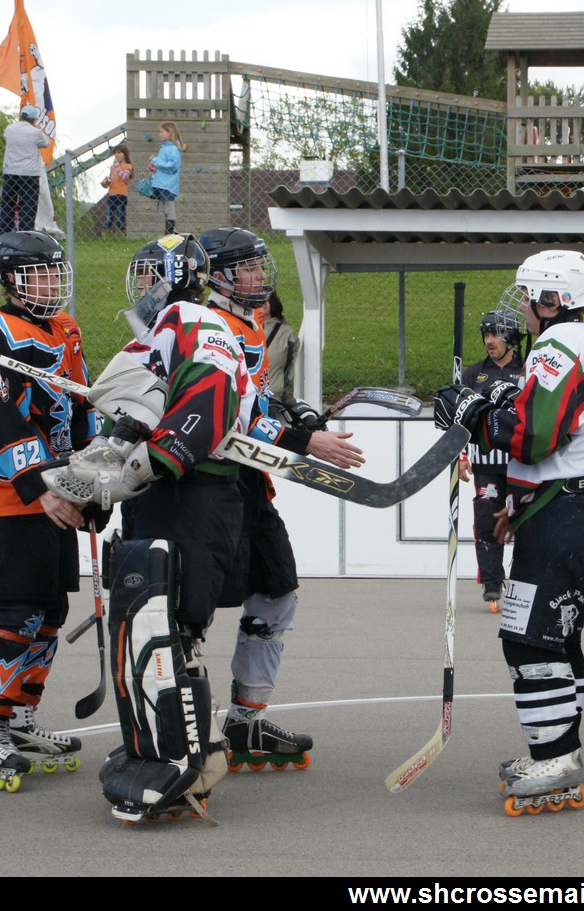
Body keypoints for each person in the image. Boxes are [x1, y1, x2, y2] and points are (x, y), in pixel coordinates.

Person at [39, 234, 250, 821]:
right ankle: (167, 744)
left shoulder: (194, 319)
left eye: (148, 274)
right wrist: (102, 474)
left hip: (195, 490)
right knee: (148, 620)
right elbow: (134, 416)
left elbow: (209, 401)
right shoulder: (155, 335)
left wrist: (142, 465)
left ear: (175, 276)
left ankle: (189, 760)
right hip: (166, 492)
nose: (140, 287)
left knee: (172, 625)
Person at [434, 250, 584, 812]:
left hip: (568, 513)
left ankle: (556, 759)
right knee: (557, 635)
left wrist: (473, 416)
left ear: (553, 300)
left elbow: (535, 435)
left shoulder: (560, 345)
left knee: (529, 636)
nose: (522, 308)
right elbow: (546, 425)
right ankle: (559, 752)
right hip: (571, 507)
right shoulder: (578, 341)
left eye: (529, 295)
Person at [199, 226, 364, 773]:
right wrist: (305, 440)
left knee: (277, 590)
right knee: (191, 609)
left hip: (250, 486)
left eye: (257, 265)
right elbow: (227, 415)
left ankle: (246, 720)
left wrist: (295, 412)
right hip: (207, 489)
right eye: (247, 267)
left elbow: (255, 401)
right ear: (218, 276)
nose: (259, 276)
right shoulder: (208, 326)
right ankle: (178, 723)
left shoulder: (249, 323)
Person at [0, 231, 95, 791]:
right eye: (38, 273)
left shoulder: (66, 328)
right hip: (13, 493)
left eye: (54, 272)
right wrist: (39, 486)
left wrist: (91, 482)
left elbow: (82, 403)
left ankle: (19, 716)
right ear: (11, 281)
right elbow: (1, 419)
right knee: (19, 606)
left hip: (61, 486)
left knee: (50, 608)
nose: (49, 283)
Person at [458, 309, 525, 610]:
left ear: (510, 337)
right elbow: (459, 418)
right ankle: (491, 581)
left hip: (523, 462)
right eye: (486, 334)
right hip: (485, 463)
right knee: (487, 518)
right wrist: (461, 455)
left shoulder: (528, 368)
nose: (489, 340)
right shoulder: (473, 374)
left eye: (495, 334)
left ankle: (526, 579)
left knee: (527, 522)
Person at [0, 105, 50, 234]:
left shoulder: (9, 129)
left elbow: (7, 138)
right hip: (29, 173)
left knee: (8, 203)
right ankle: (25, 233)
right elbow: (46, 143)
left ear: (20, 116)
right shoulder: (35, 133)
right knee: (28, 204)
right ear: (34, 119)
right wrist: (38, 128)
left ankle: (4, 233)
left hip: (10, 171)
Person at [148, 122, 185, 235]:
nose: (159, 134)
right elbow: (163, 164)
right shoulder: (164, 147)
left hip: (168, 184)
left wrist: (155, 161)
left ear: (170, 132)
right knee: (165, 208)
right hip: (161, 182)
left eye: (162, 132)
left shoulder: (173, 149)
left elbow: (172, 166)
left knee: (169, 207)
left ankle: (169, 231)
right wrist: (155, 167)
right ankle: (170, 230)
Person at [262, 289, 299, 401]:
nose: (263, 303)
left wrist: (280, 387)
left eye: (267, 300)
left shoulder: (287, 334)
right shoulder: (240, 328)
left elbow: (290, 366)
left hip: (273, 398)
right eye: (258, 299)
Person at [100, 144, 134, 236]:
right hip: (111, 193)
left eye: (119, 153)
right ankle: (106, 233)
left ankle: (121, 234)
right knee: (109, 215)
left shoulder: (127, 166)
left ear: (125, 155)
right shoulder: (112, 167)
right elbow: (112, 178)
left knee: (120, 216)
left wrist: (117, 166)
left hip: (121, 194)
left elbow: (123, 177)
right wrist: (106, 182)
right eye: (115, 153)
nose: (116, 155)